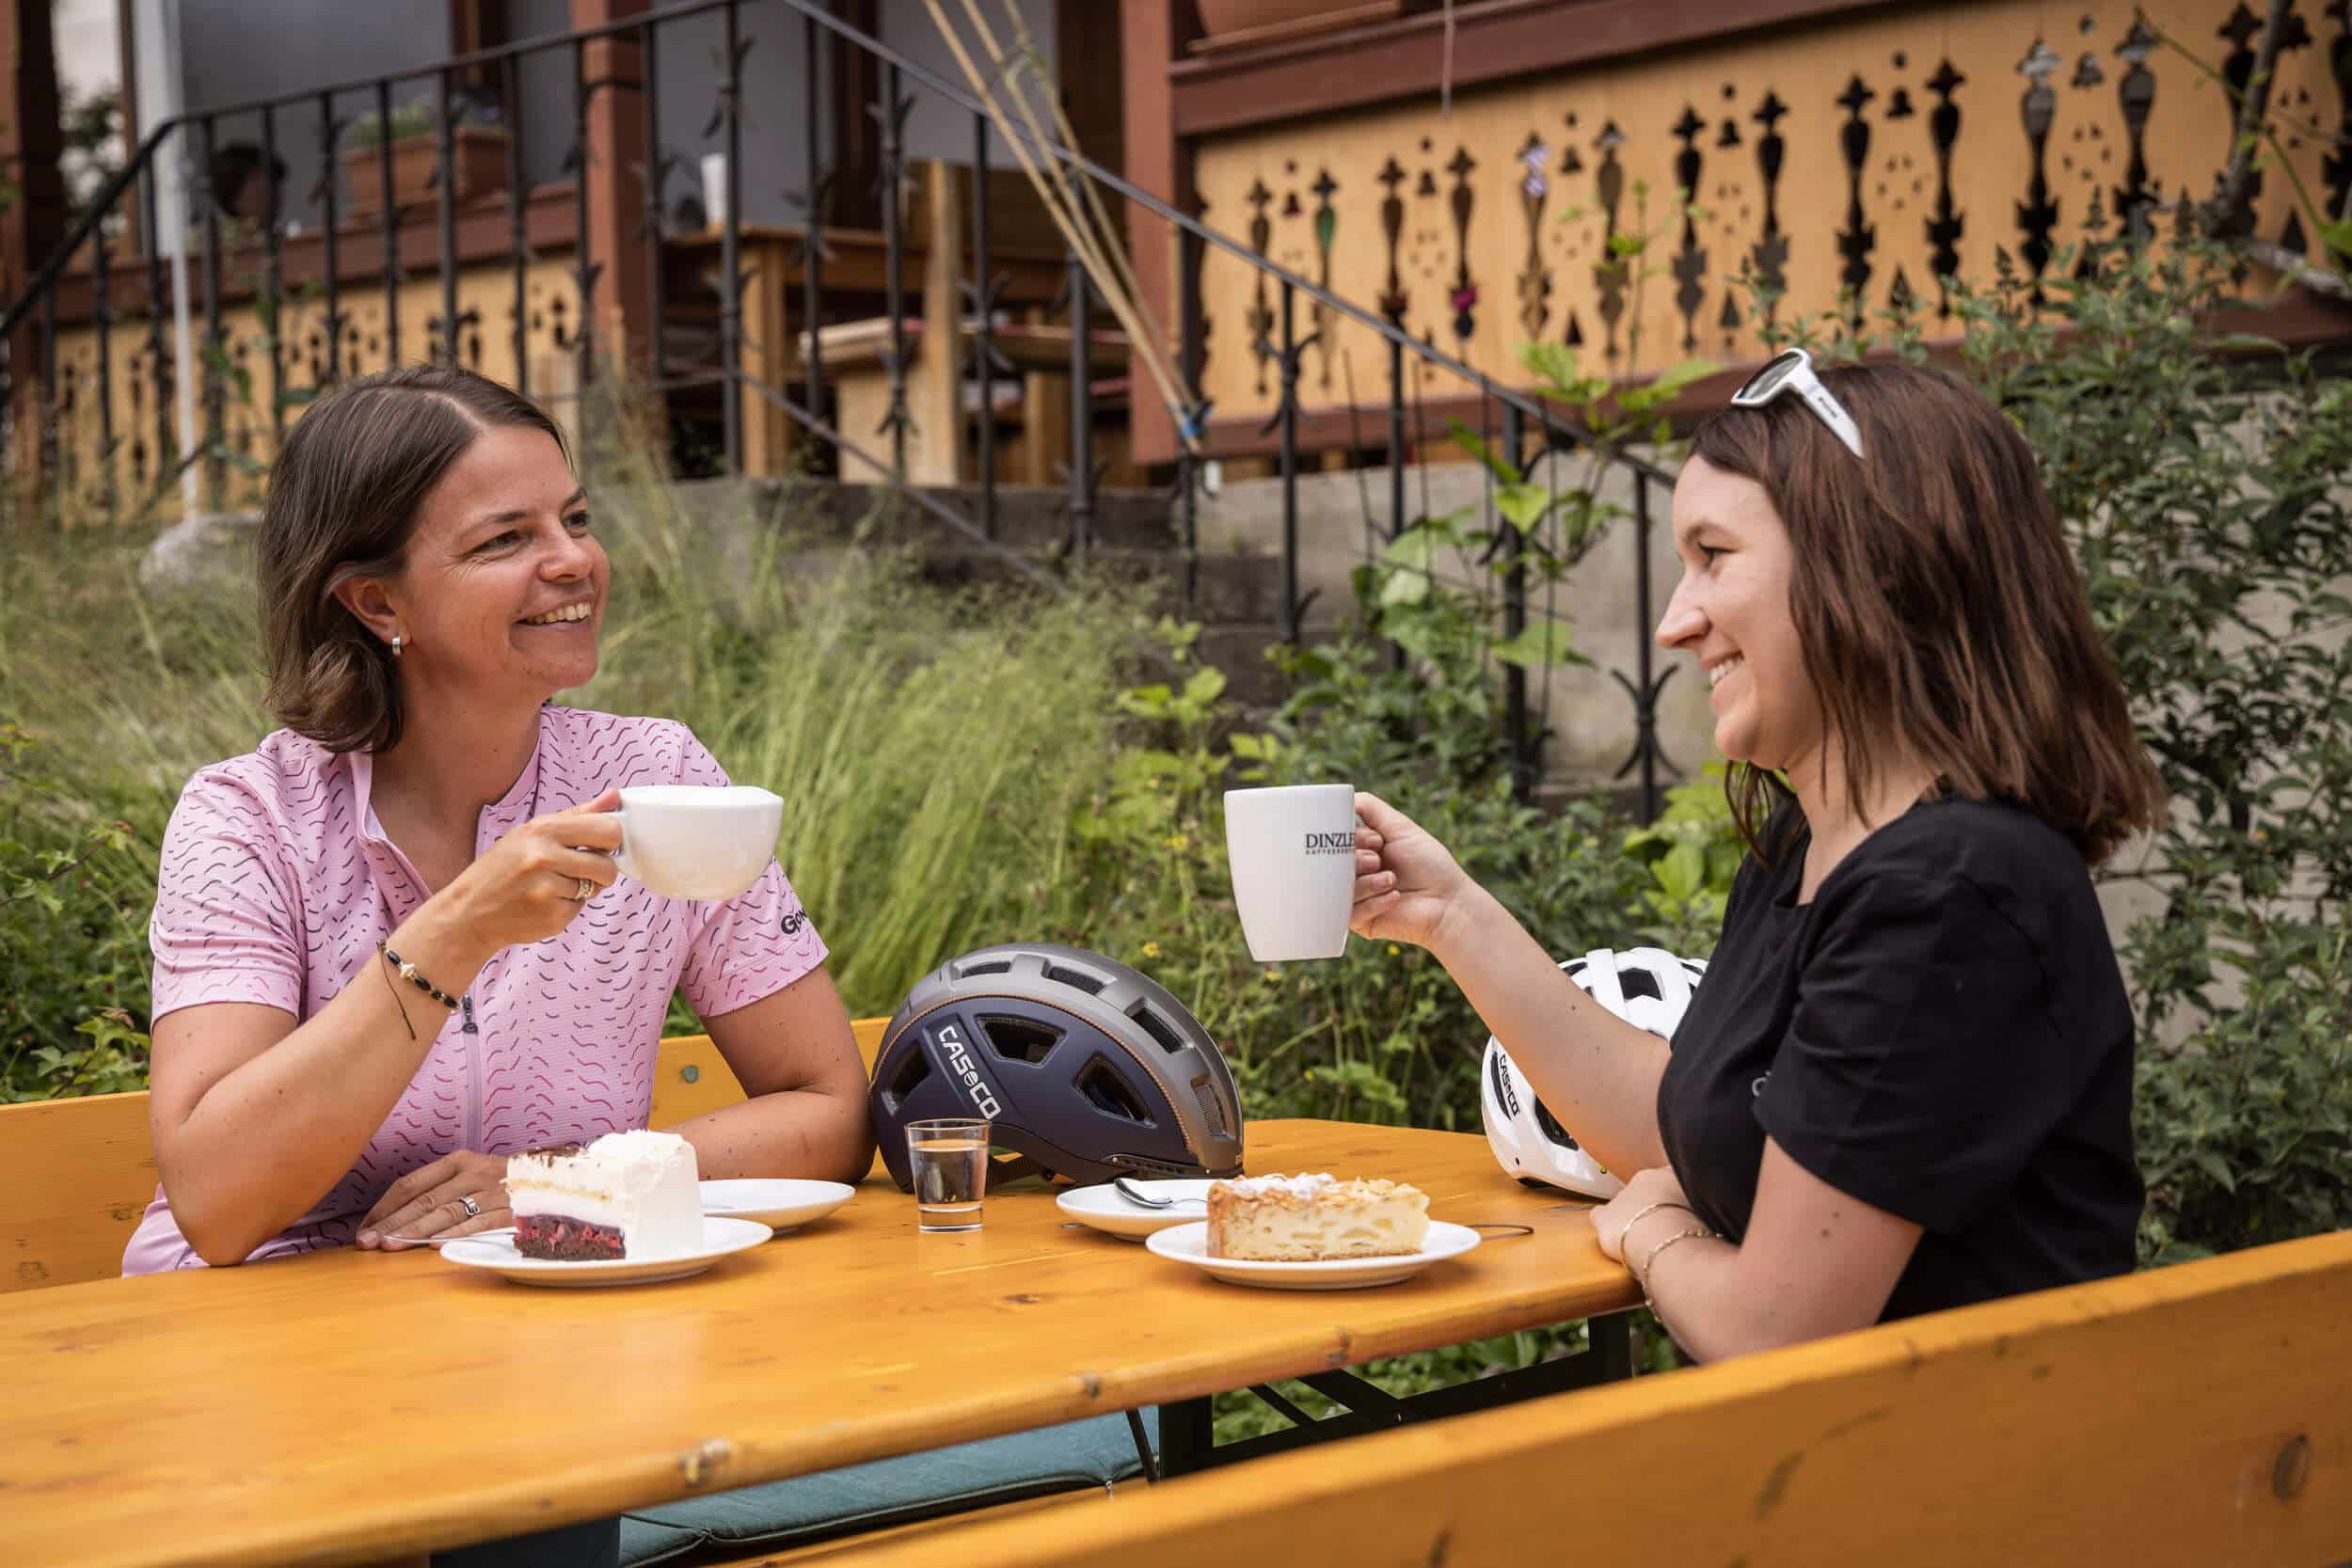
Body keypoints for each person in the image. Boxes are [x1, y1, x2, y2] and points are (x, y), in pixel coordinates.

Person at [1351, 352, 2166, 1363]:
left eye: (1714, 554)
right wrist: (1449, 916)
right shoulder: (1809, 846)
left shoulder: (1948, 892)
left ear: (1871, 564)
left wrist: (1653, 1233)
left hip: (1950, 1491)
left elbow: (1771, 1326)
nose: (1673, 622)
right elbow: (1675, 1130)